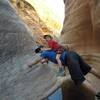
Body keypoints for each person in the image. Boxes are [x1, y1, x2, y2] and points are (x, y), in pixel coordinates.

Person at [28, 45, 100, 99]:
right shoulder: (50, 51)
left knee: (79, 80)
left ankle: (98, 95)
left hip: (68, 58)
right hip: (73, 54)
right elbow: (43, 61)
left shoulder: (43, 53)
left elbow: (36, 60)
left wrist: (29, 65)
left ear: (41, 49)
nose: (39, 52)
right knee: (89, 69)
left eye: (38, 51)